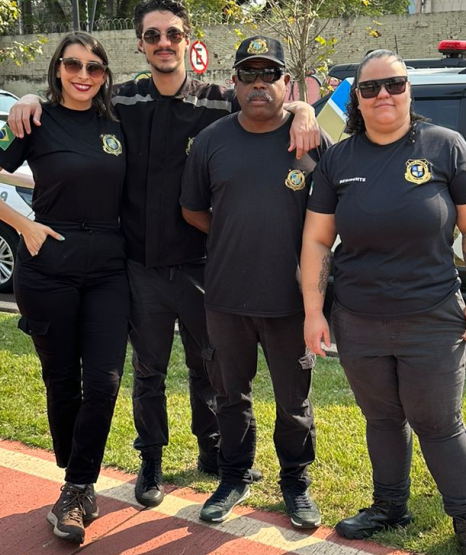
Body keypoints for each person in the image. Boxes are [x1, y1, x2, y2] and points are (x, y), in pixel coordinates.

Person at [7, 0, 320, 509]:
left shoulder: (219, 102)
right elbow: (70, 97)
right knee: (148, 371)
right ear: (141, 45)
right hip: (138, 264)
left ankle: (213, 453)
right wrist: (25, 98)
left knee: (210, 367)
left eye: (172, 34)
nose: (163, 44)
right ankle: (150, 459)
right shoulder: (122, 102)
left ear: (187, 39)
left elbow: (276, 102)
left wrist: (305, 108)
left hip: (202, 265)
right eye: (152, 36)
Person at [300, 50, 466, 555]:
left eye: (394, 84)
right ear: (357, 101)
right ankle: (390, 505)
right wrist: (315, 311)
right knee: (382, 419)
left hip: (431, 316)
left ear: (410, 90)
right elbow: (318, 240)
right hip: (358, 319)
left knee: (438, 422)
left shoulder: (445, 147)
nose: (383, 95)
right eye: (370, 89)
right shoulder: (339, 160)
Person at [0, 32, 129, 545]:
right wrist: (23, 225)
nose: (83, 75)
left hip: (108, 269)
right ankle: (75, 484)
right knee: (62, 381)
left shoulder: (119, 123)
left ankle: (78, 485)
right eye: (73, 65)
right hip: (47, 265)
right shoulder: (32, 120)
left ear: (104, 75)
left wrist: (303, 108)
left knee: (103, 382)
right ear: (57, 68)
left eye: (94, 67)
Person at [180, 36, 328, 528]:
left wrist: (306, 113)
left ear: (287, 82)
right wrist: (231, 233)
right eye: (248, 74)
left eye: (269, 74)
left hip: (291, 300)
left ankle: (295, 482)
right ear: (235, 83)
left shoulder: (311, 139)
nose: (259, 84)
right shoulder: (211, 141)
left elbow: (331, 219)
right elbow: (193, 210)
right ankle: (235, 474)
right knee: (230, 394)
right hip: (226, 296)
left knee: (293, 399)